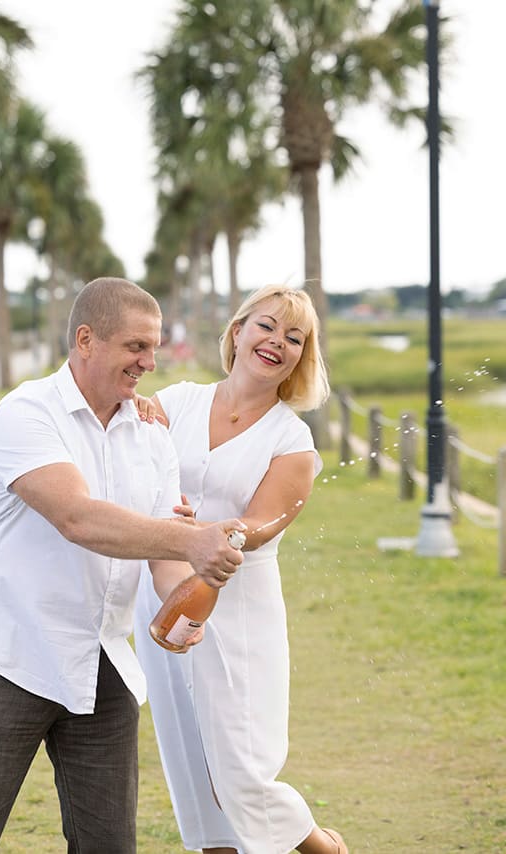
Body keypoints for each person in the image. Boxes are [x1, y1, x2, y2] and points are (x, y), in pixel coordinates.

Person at [0, 277, 248, 854]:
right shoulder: (25, 414)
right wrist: (187, 540)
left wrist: (188, 595)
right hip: (7, 656)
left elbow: (162, 557)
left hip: (105, 664)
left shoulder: (151, 437)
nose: (150, 361)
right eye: (136, 347)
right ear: (86, 339)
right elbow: (76, 518)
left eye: (154, 347)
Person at [132, 284, 347, 854]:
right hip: (163, 599)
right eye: (267, 326)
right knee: (195, 774)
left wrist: (218, 532)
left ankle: (326, 849)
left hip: (239, 606)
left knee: (240, 773)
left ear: (302, 357)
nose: (277, 342)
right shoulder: (174, 402)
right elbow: (135, 468)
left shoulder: (292, 440)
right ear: (237, 332)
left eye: (294, 337)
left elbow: (264, 522)